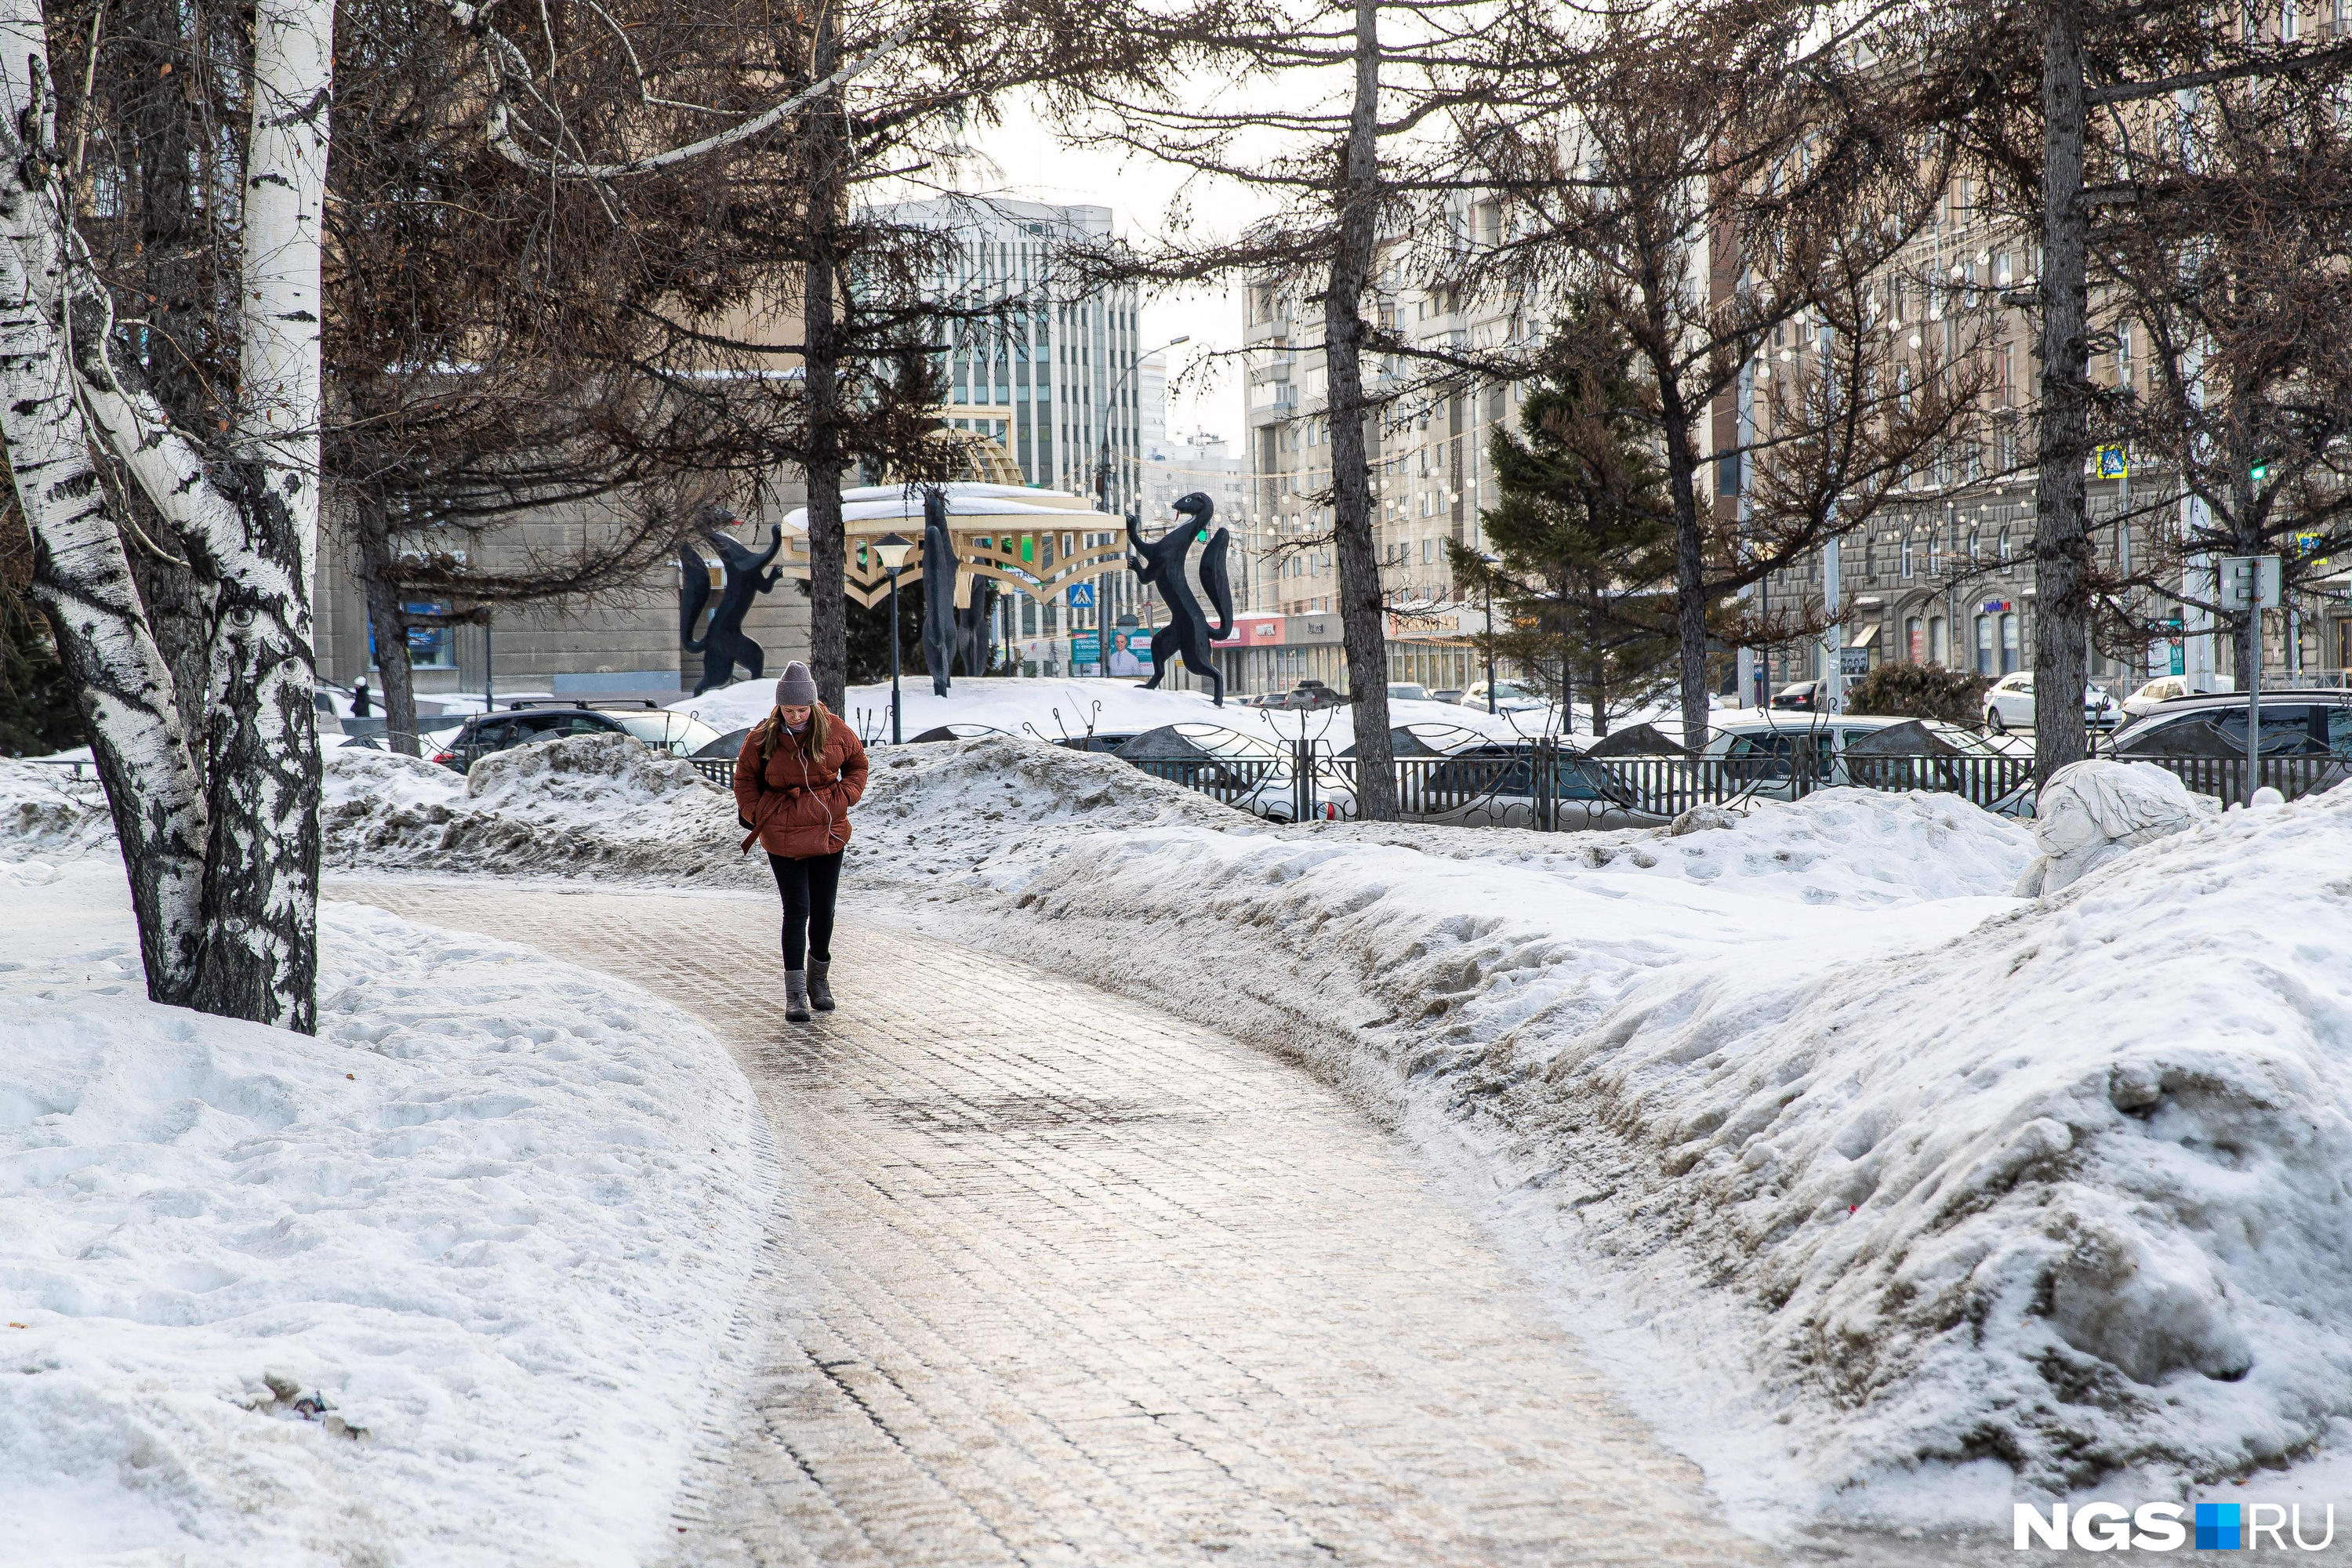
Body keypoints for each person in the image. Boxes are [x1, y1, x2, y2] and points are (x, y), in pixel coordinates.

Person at [734, 661, 868, 1023]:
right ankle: (795, 993)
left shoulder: (835, 730)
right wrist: (758, 810)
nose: (795, 716)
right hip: (783, 833)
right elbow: (744, 779)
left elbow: (858, 764)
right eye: (788, 710)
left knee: (824, 909)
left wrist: (845, 796)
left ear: (812, 705)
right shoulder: (762, 738)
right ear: (779, 707)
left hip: (828, 829)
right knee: (797, 911)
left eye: (801, 709)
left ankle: (818, 983)